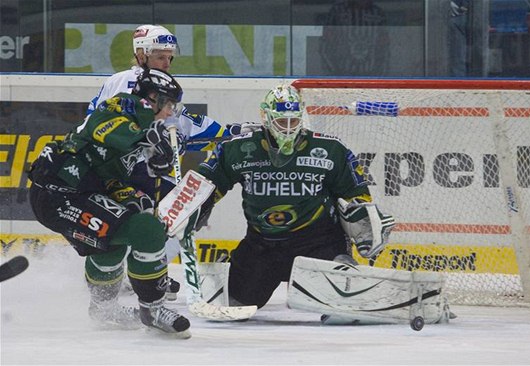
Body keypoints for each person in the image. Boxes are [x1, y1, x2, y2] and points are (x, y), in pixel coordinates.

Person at [194, 84, 395, 308]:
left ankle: (341, 264)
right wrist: (192, 206)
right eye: (282, 121)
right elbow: (205, 184)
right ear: (266, 118)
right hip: (261, 245)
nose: (288, 129)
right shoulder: (239, 149)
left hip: (317, 244)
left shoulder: (330, 149)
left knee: (338, 305)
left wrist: (364, 221)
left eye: (294, 121)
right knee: (234, 301)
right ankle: (231, 271)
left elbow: (356, 194)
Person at [27, 68, 191, 338]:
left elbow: (108, 175)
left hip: (74, 193)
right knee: (146, 229)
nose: (171, 112)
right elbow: (103, 128)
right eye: (169, 104)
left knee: (112, 245)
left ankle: (104, 310)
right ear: (153, 98)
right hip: (58, 192)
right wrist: (146, 140)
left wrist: (130, 194)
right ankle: (152, 309)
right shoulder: (124, 105)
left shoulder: (141, 125)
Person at [87, 24, 234, 299]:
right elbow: (108, 124)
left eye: (169, 57)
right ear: (141, 55)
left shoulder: (162, 84)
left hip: (147, 167)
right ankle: (133, 274)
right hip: (121, 168)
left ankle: (149, 271)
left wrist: (227, 132)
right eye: (159, 57)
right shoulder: (124, 81)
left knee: (187, 210)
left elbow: (178, 120)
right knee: (146, 218)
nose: (166, 63)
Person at [319, 0, 390, 76]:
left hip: (371, 78)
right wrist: (334, 74)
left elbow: (384, 48)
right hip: (341, 77)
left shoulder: (378, 14)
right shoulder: (337, 12)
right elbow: (326, 45)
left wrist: (380, 77)